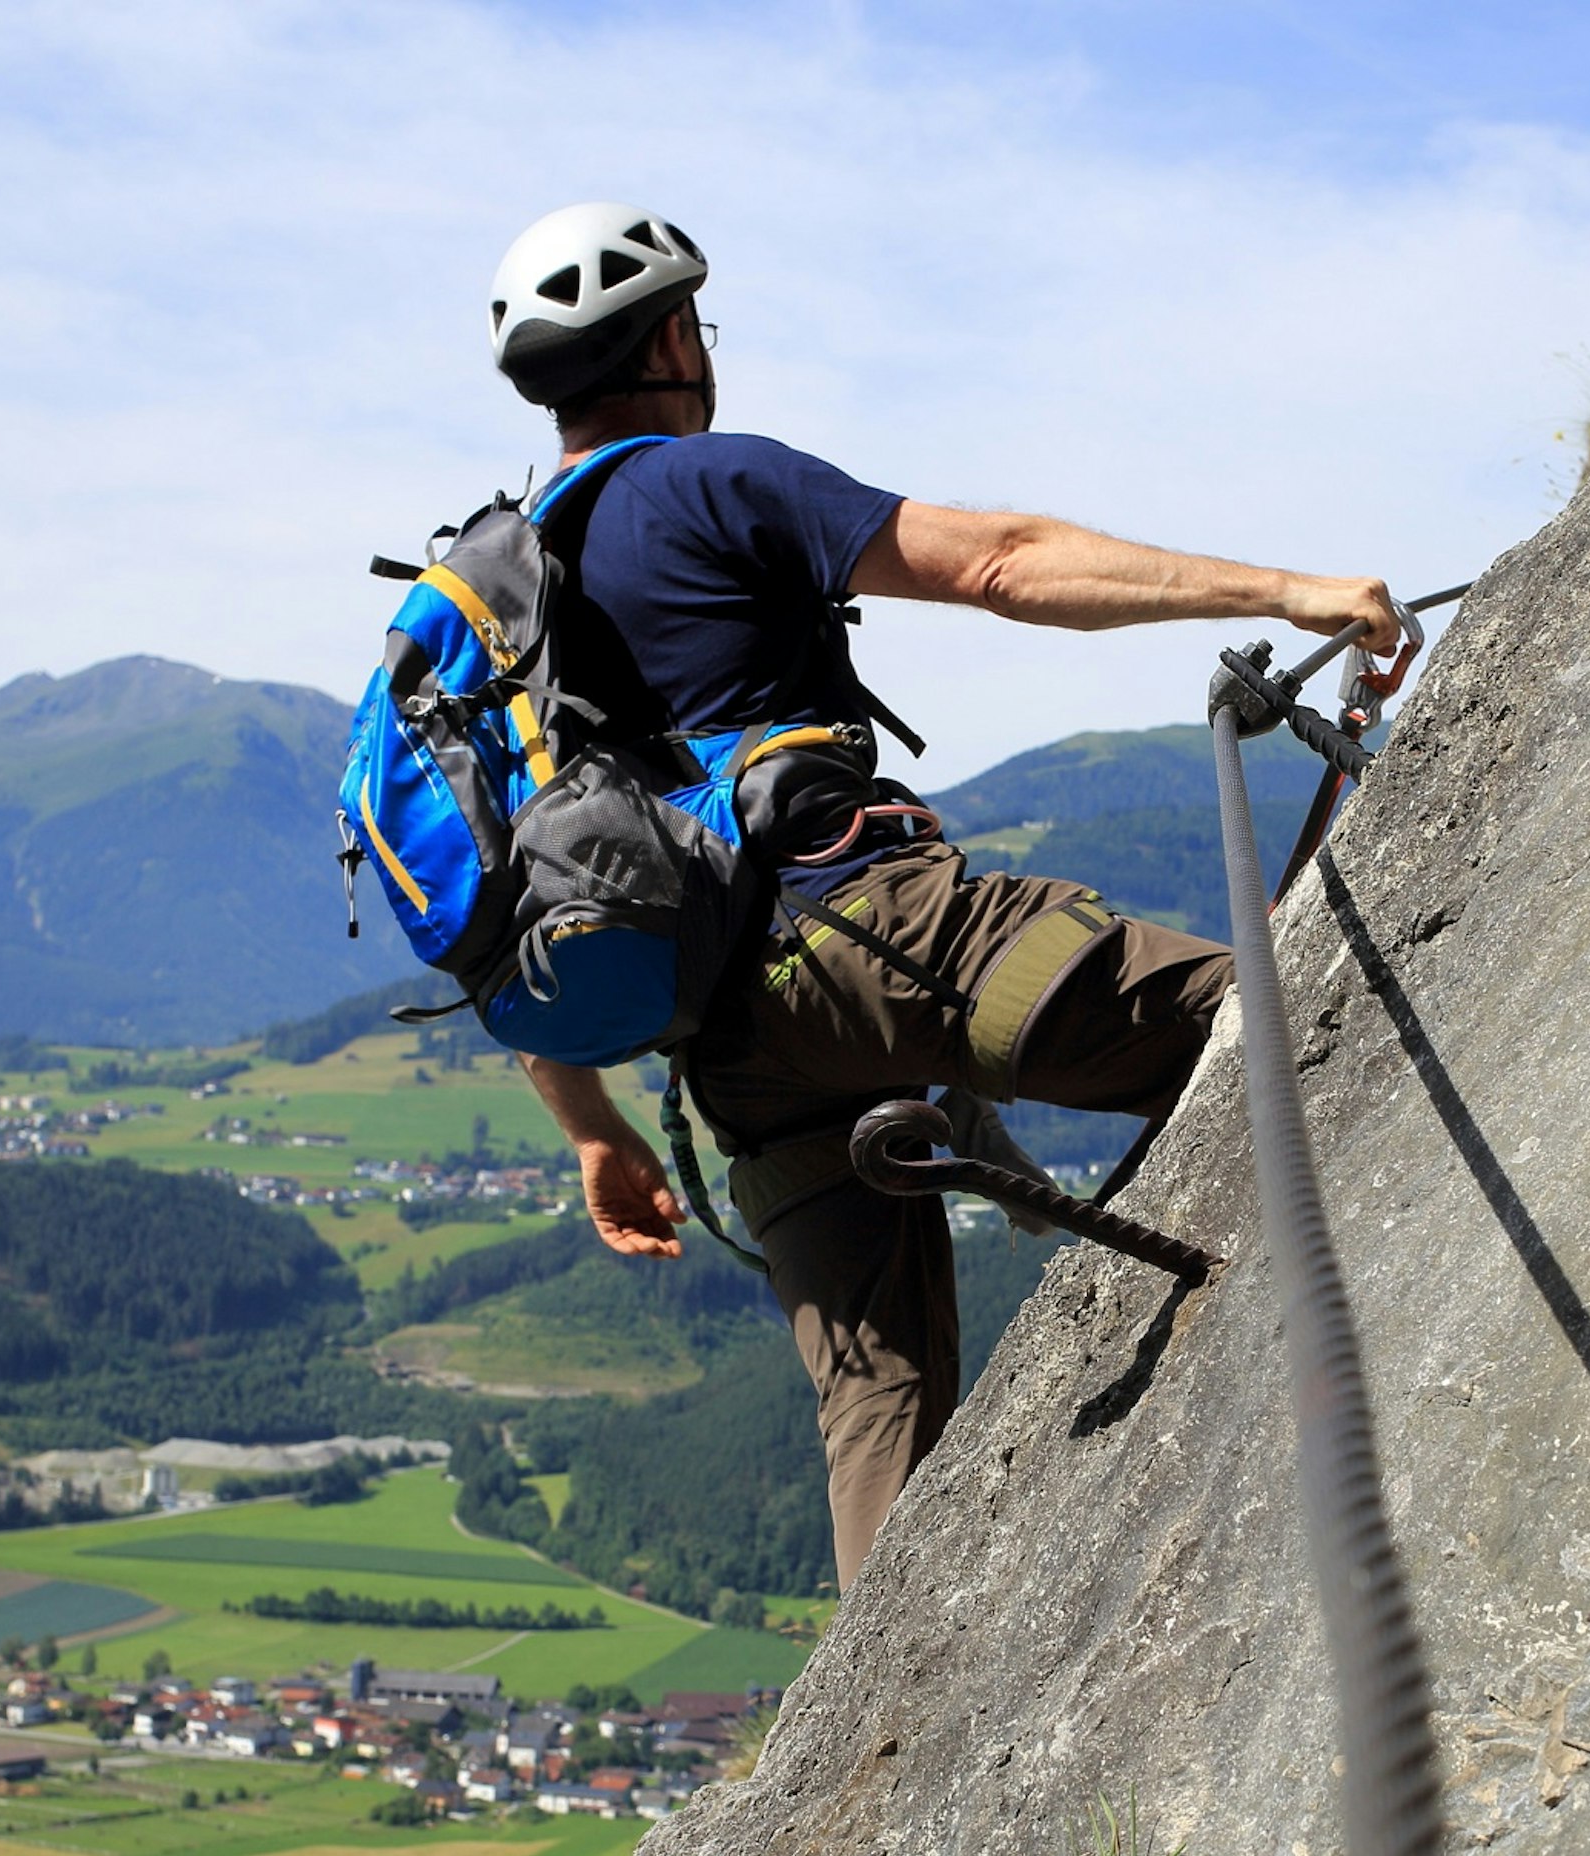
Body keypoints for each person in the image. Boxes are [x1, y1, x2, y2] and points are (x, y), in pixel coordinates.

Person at [480, 201, 1399, 1588]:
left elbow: (525, 913)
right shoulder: (713, 483)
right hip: (873, 933)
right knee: (1297, 1016)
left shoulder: (501, 620)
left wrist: (594, 1133)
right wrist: (1283, 590)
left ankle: (868, 1785)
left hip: (733, 1058)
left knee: (879, 1417)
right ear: (674, 335)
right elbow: (1000, 562)